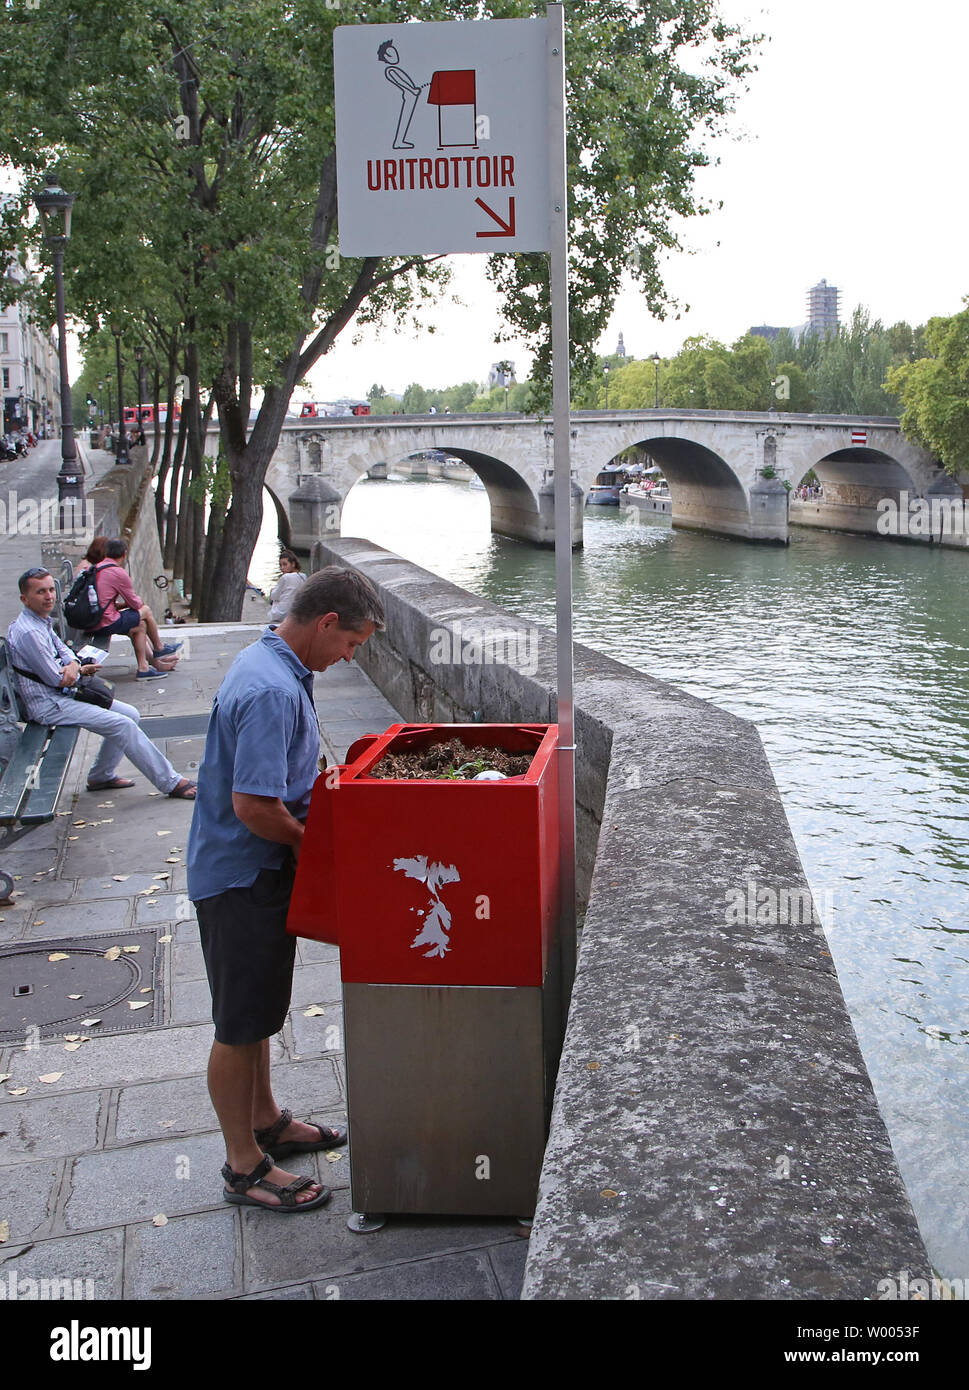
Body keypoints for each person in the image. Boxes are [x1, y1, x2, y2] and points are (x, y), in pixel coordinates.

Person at [186, 566, 385, 1212]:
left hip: (248, 873)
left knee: (259, 1010)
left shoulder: (272, 663)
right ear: (327, 623)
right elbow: (252, 805)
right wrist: (309, 844)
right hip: (242, 875)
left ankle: (266, 1119)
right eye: (351, 645)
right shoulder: (271, 690)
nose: (348, 658)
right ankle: (242, 1165)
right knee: (239, 1024)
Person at [8, 568, 197, 798]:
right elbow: (57, 679)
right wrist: (77, 668)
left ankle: (101, 775)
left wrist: (73, 664)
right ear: (24, 599)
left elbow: (65, 652)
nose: (49, 596)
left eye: (50, 590)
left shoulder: (40, 621)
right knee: (123, 725)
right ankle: (171, 782)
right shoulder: (29, 632)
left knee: (131, 714)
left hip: (62, 695)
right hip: (48, 705)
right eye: (40, 592)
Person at [89, 538, 182, 679]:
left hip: (94, 620)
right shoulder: (117, 572)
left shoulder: (96, 568)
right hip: (105, 622)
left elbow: (104, 602)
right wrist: (138, 602)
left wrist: (124, 605)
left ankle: (146, 667)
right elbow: (136, 604)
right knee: (145, 611)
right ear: (124, 554)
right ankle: (158, 648)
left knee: (139, 624)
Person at [266, 550, 307, 625]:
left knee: (274, 595)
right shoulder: (303, 576)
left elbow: (273, 596)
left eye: (285, 564)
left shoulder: (285, 577)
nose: (282, 568)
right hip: (297, 614)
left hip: (281, 614)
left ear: (293, 564)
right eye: (280, 565)